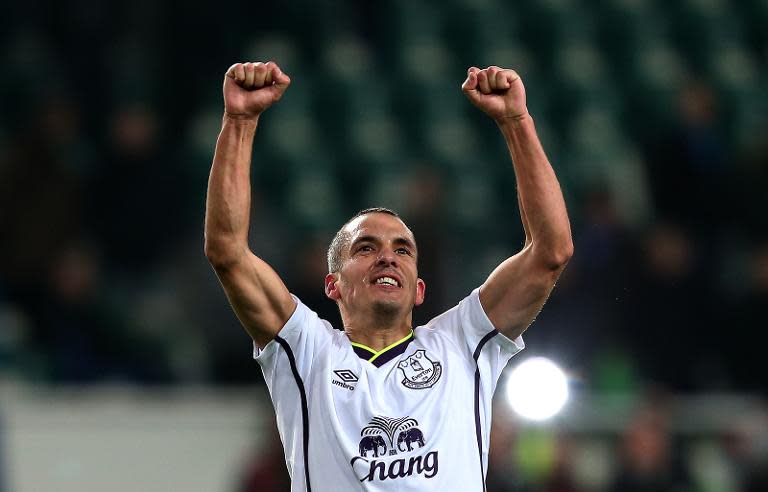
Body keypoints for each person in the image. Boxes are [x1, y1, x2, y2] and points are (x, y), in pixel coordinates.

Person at [204, 60, 572, 491]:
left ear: (418, 289)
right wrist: (240, 120)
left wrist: (517, 122)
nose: (387, 258)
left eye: (403, 250)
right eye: (365, 248)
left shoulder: (462, 342)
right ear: (333, 285)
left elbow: (551, 251)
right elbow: (227, 251)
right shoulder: (306, 352)